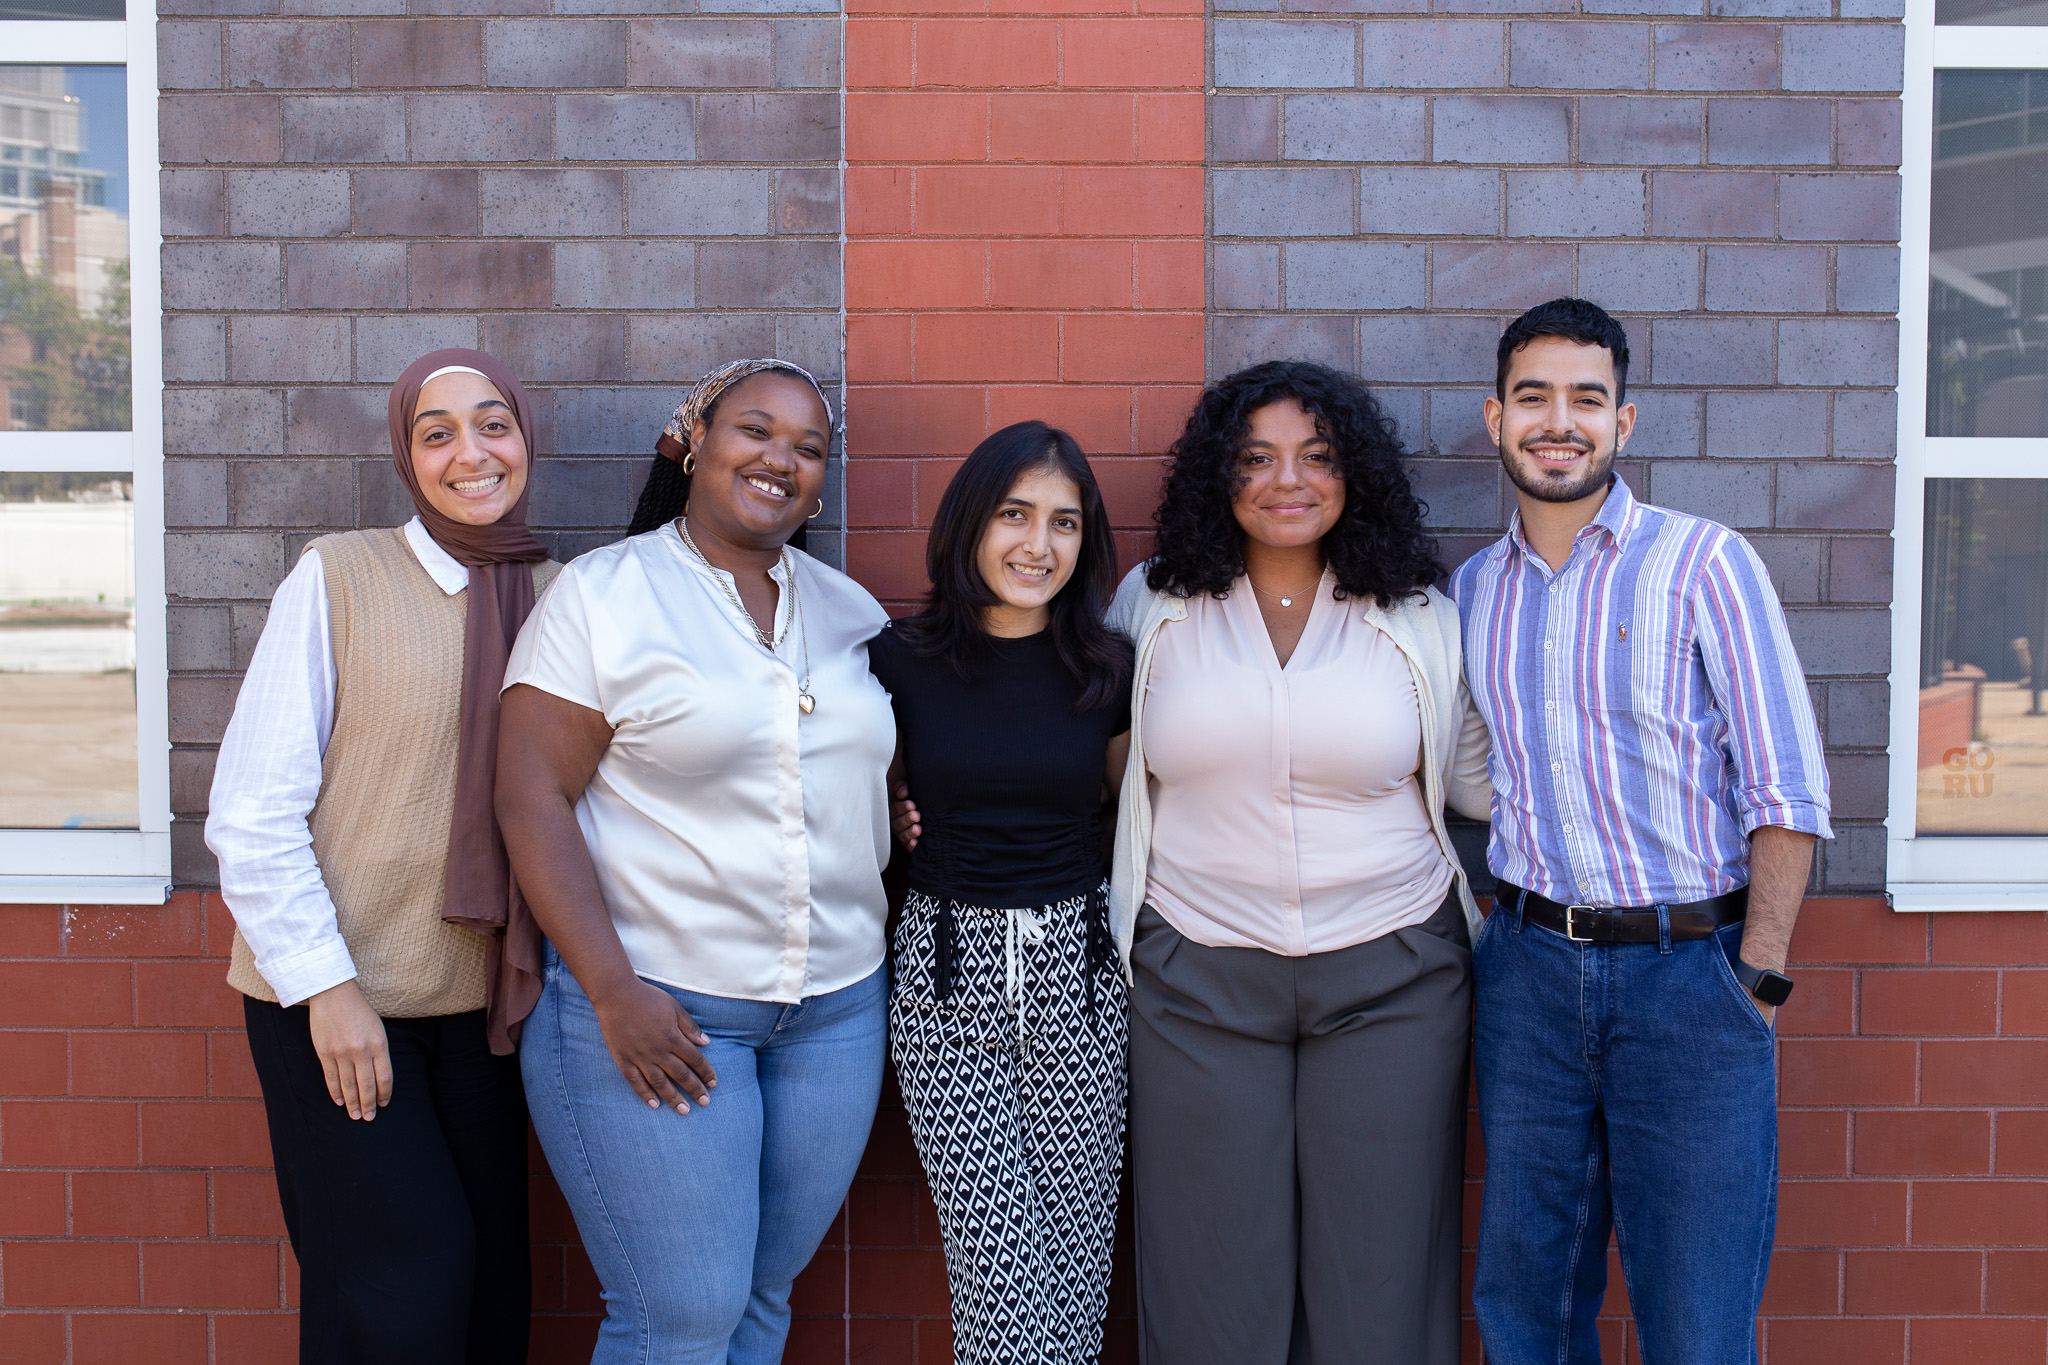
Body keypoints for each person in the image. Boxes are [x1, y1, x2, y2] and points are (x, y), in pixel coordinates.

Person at [1449, 298, 1831, 1365]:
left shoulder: (1702, 563)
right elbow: (1468, 777)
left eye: (1585, 398)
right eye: (1533, 398)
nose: (1557, 421)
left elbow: (1785, 788)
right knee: (1526, 1304)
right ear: (1493, 418)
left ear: (1624, 422)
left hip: (1690, 979)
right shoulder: (1472, 592)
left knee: (1695, 1315)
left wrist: (1752, 977)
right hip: (1524, 979)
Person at [494, 358, 896, 1364]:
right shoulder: (605, 596)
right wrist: (611, 989)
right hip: (658, 1010)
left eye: (808, 448)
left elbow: (860, 763)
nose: (781, 460)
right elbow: (529, 795)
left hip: (835, 1013)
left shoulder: (849, 611)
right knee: (678, 1317)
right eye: (755, 431)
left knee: (760, 1299)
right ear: (696, 441)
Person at [1106, 359, 1492, 1364]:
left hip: (1393, 975)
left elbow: (1479, 783)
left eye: (1316, 457)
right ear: (1215, 477)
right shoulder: (1151, 605)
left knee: (1378, 1284)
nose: (1288, 480)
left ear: (1353, 473)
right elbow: (1084, 755)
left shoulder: (1415, 612)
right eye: (1256, 458)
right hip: (1194, 976)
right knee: (1208, 1284)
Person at [206, 348, 556, 1365]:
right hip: (334, 1001)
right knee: (405, 1286)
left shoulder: (558, 591)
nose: (471, 453)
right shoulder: (341, 575)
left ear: (525, 437)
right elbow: (253, 809)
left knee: (490, 1298)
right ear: (407, 456)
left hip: (478, 1011)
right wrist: (327, 988)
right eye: (435, 432)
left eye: (493, 423)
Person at [869, 421, 1133, 1365]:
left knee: (1073, 1276)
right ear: (971, 522)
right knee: (1002, 1280)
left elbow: (1122, 810)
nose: (1039, 544)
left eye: (1065, 522)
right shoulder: (896, 661)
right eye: (1016, 515)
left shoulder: (1106, 668)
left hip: (1083, 982)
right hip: (947, 985)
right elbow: (863, 795)